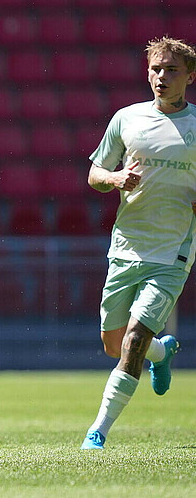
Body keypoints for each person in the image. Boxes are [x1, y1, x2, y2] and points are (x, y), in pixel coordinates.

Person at [80, 36, 196, 450]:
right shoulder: (127, 119)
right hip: (126, 247)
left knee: (132, 340)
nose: (161, 77)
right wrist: (115, 179)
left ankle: (98, 432)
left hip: (172, 254)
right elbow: (95, 174)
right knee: (113, 344)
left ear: (190, 76)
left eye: (171, 70)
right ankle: (162, 354)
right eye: (155, 69)